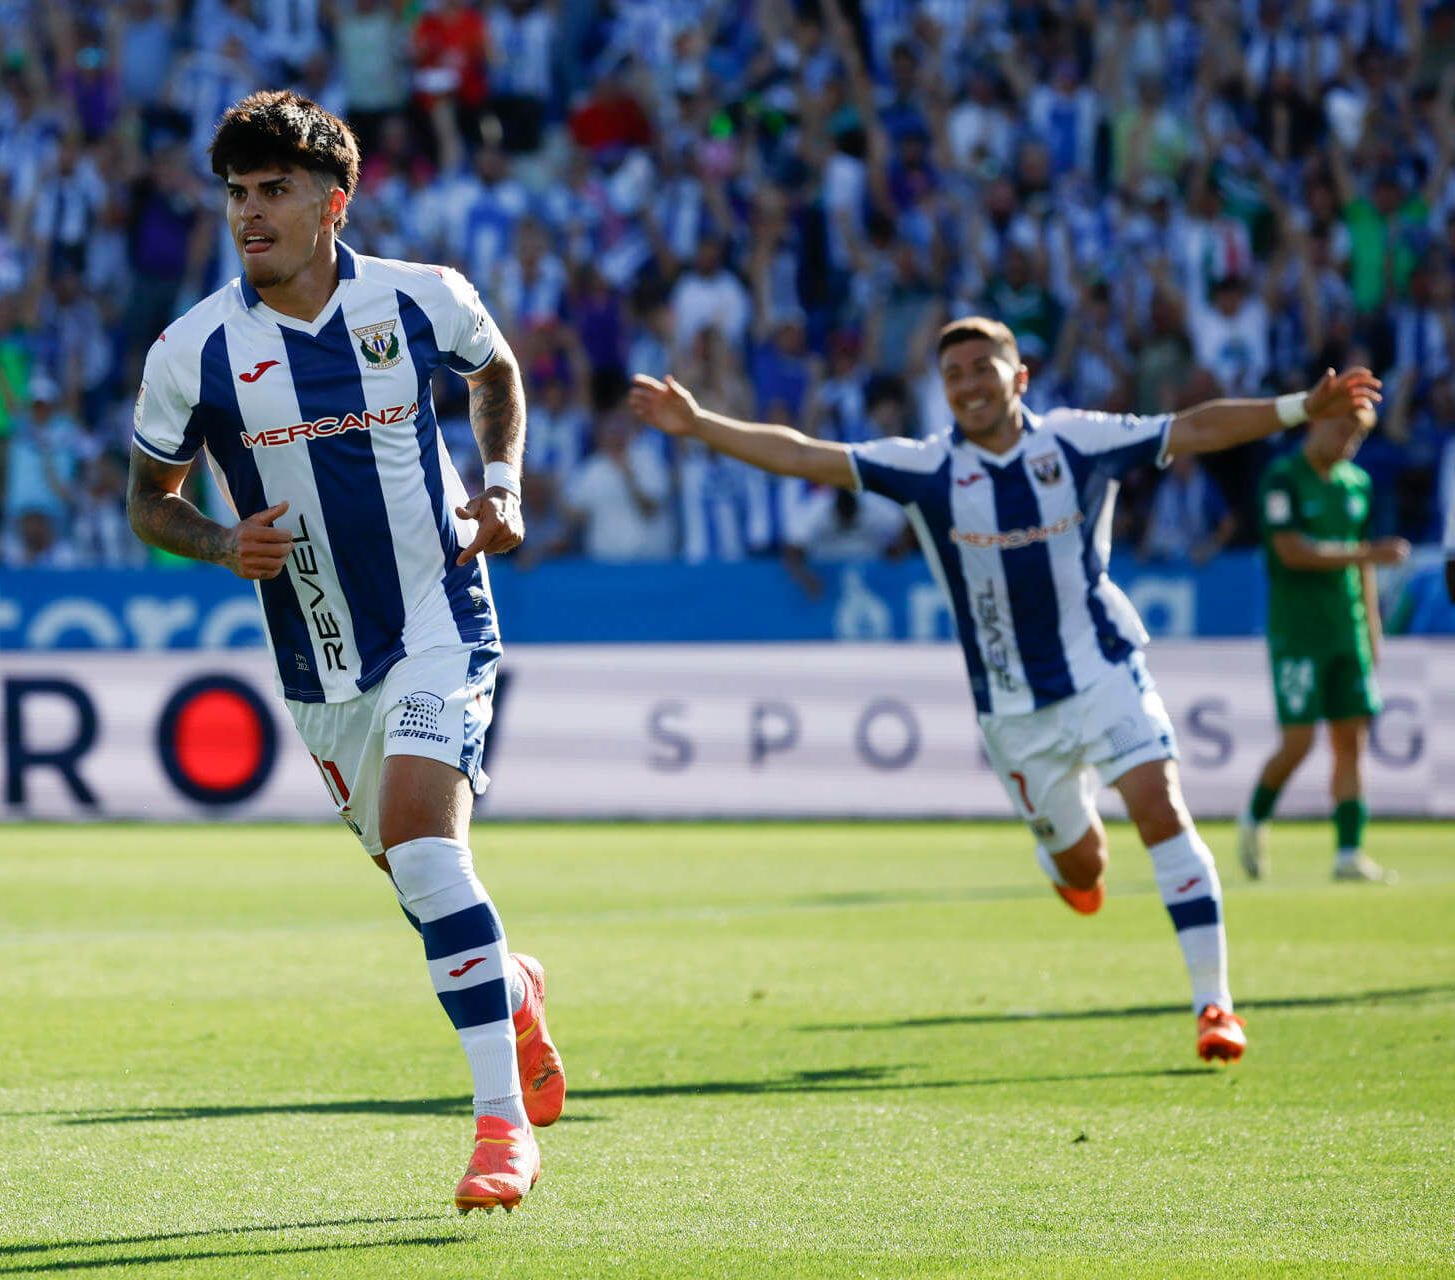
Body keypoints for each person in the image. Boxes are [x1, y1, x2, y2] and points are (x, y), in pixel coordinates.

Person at [630, 315, 1383, 1065]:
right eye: (953, 375)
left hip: (1102, 667)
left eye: (982, 368)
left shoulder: (1075, 442)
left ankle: (1214, 1005)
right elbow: (804, 456)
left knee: (1160, 807)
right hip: (1014, 711)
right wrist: (699, 425)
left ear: (1018, 378)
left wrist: (1294, 409)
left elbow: (1193, 428)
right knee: (1086, 869)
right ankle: (1065, 854)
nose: (968, 385)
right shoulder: (926, 468)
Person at [126, 91, 562, 1213]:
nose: (249, 214)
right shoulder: (192, 351)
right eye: (236, 193)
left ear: (334, 200)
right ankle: (512, 985)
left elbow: (497, 371)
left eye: (274, 190)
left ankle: (501, 1131)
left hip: (437, 620)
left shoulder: (420, 299)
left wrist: (502, 483)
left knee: (425, 849)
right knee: (424, 892)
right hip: (319, 670)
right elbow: (147, 500)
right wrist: (222, 540)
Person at [1237, 407, 1408, 883]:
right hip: (1298, 633)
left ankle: (1348, 853)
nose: (1347, 442)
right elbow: (1291, 551)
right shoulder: (1283, 477)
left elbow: (1363, 567)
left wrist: (1372, 629)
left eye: (1356, 435)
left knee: (1351, 739)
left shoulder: (1357, 483)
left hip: (1346, 629)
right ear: (1314, 423)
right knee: (1298, 742)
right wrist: (1368, 554)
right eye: (1340, 429)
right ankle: (1253, 819)